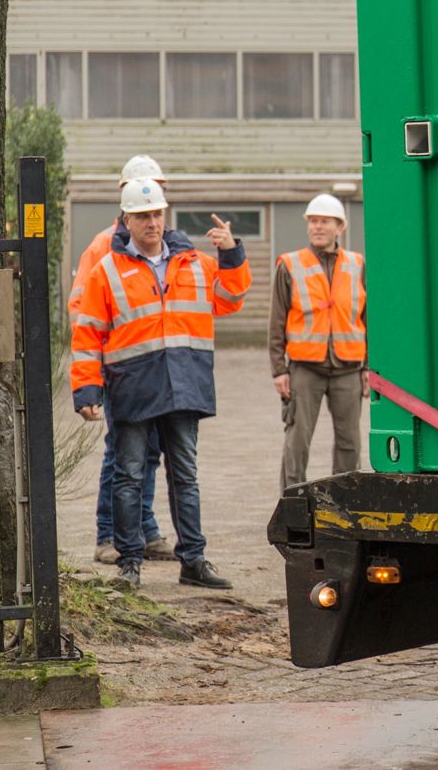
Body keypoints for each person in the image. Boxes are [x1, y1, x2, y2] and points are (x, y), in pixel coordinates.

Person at [71, 178, 250, 590]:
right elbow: (87, 335)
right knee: (129, 476)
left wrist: (231, 252)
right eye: (143, 216)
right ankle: (129, 562)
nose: (152, 222)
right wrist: (86, 389)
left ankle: (193, 560)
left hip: (183, 385)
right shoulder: (107, 272)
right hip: (132, 387)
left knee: (185, 476)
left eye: (156, 214)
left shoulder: (195, 263)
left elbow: (231, 299)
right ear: (127, 220)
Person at [69, 154, 170, 565]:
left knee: (149, 453)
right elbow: (82, 312)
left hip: (158, 370)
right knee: (121, 454)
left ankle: (143, 529)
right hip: (121, 370)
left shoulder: (164, 244)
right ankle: (107, 535)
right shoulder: (102, 247)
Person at [271, 193, 367, 491]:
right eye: (313, 221)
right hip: (305, 368)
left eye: (324, 221)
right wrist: (279, 370)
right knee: (297, 439)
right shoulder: (289, 265)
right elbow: (277, 320)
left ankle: (345, 503)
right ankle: (293, 500)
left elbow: (369, 319)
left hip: (349, 367)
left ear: (341, 227)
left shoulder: (358, 264)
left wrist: (369, 368)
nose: (317, 227)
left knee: (350, 442)